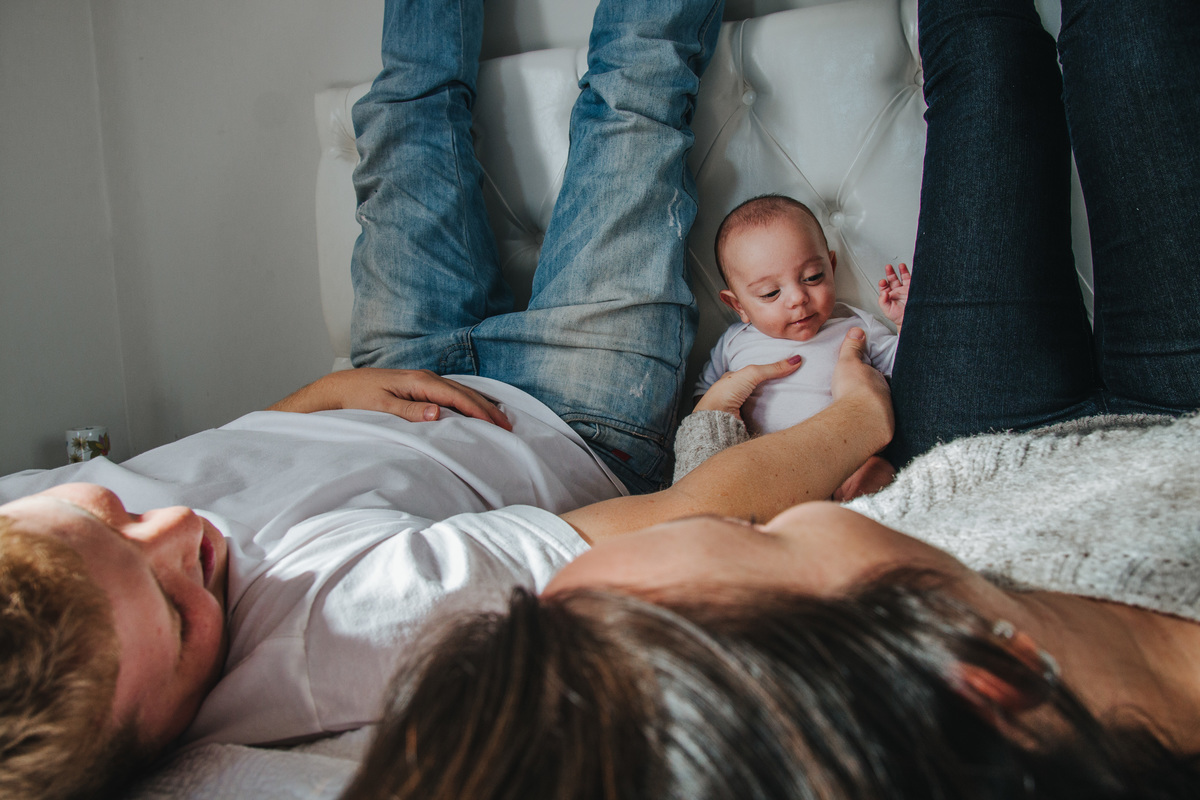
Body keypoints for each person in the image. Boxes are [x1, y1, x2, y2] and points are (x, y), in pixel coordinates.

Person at [0, 0, 897, 797]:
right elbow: (688, 512)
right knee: (635, 89)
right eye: (183, 609)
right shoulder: (334, 632)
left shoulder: (19, 513)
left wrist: (314, 398)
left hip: (384, 371)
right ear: (159, 739)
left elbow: (237, 472)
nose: (180, 531)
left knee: (408, 106)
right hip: (572, 411)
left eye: (112, 513)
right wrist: (861, 414)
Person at [338, 0, 1200, 797]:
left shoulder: (918, 612)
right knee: (1132, 34)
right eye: (759, 540)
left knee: (982, 58)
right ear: (977, 678)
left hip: (971, 445)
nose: (769, 509)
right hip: (1161, 418)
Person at [683, 193, 908, 497]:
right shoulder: (734, 343)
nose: (797, 298)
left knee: (877, 471)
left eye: (813, 277)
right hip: (762, 469)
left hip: (845, 466)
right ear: (739, 305)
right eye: (770, 293)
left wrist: (904, 324)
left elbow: (909, 369)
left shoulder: (856, 326)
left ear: (831, 266)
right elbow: (706, 406)